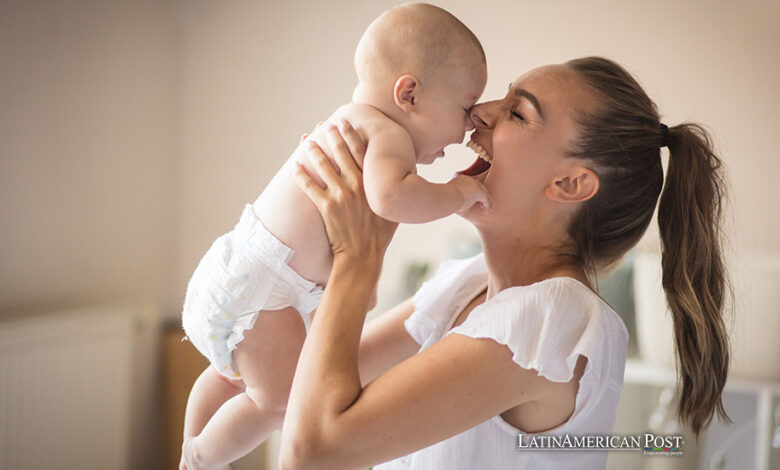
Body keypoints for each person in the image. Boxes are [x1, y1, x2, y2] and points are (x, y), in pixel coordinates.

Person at [279, 57, 731, 470]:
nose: (481, 111)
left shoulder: (554, 318)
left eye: (518, 113)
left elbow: (312, 450)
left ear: (570, 184)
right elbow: (286, 393)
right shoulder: (468, 283)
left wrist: (355, 262)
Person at [179, 3, 489, 469]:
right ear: (409, 93)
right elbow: (391, 199)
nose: (470, 123)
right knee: (282, 401)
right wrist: (460, 191)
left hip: (245, 270)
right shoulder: (386, 133)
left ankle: (191, 445)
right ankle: (203, 455)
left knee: (233, 379)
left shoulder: (351, 120)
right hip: (267, 289)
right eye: (465, 107)